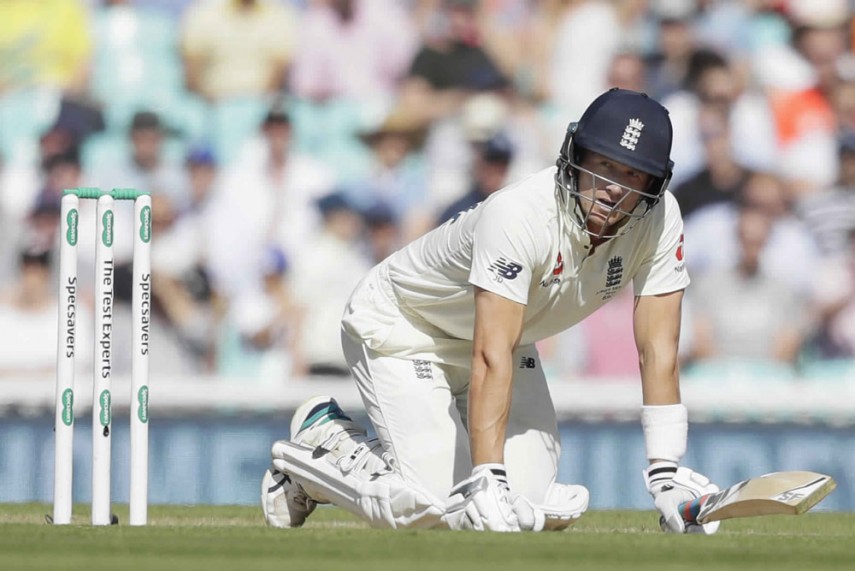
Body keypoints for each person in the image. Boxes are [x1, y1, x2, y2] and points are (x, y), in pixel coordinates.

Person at [261, 89, 720, 534]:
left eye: (633, 177)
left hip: (502, 338)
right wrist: (487, 476)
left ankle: (410, 465)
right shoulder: (520, 214)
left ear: (654, 185)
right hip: (406, 327)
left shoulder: (660, 221)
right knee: (434, 504)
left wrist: (664, 471)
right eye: (603, 166)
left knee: (530, 501)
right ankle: (320, 445)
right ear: (575, 156)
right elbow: (489, 354)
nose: (612, 192)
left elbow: (658, 348)